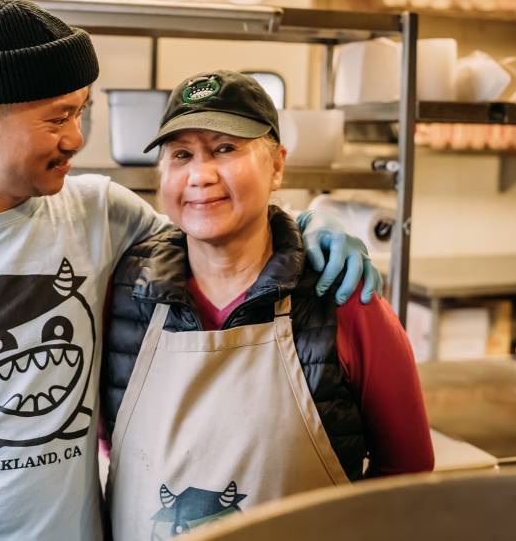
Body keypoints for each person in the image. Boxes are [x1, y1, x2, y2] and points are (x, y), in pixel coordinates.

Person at [0, 1, 380, 541]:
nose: (77, 138)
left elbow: (213, 227)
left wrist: (310, 224)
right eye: (57, 118)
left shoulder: (97, 212)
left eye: (81, 111)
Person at [102, 70, 434, 541]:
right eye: (181, 155)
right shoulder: (123, 294)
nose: (200, 174)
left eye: (225, 148)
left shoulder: (343, 300)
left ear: (277, 166)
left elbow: (408, 470)